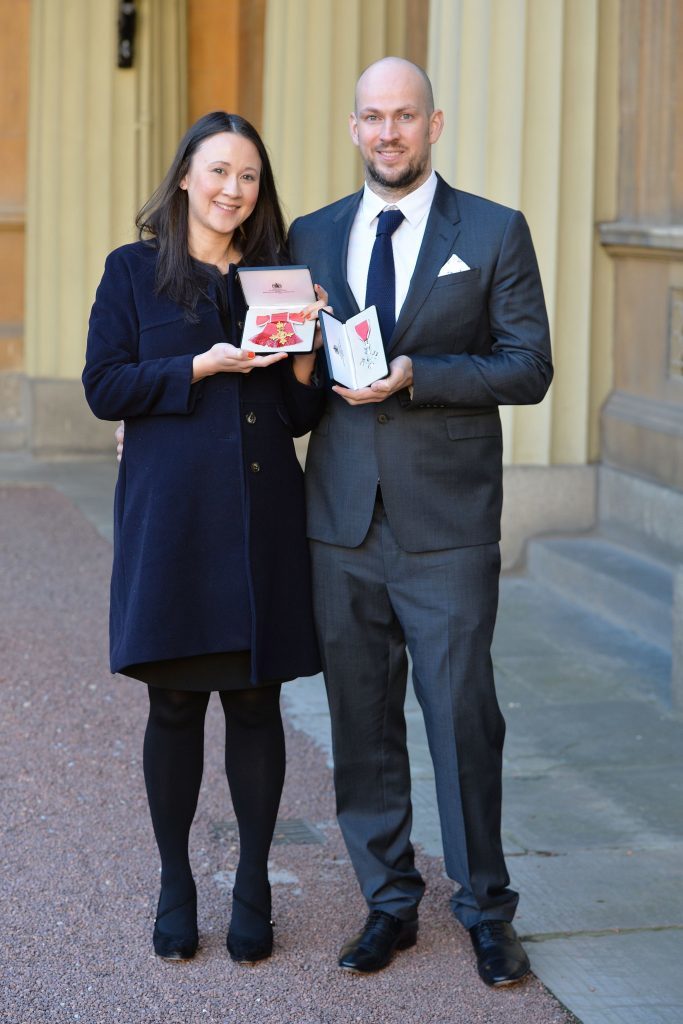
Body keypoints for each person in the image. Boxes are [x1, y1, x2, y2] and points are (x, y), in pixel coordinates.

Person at [286, 57, 553, 986]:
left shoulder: (491, 230)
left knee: (460, 718)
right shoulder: (309, 234)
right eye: (371, 117)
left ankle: (486, 908)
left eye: (404, 116)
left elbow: (527, 366)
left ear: (433, 125)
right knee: (359, 720)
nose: (387, 133)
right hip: (341, 520)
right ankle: (387, 902)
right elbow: (294, 378)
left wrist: (419, 375)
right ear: (353, 128)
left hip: (446, 524)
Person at [83, 111, 327, 965]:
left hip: (262, 520)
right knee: (175, 703)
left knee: (258, 705)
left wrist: (306, 349)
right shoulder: (132, 273)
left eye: (249, 176)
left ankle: (253, 883)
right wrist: (197, 365)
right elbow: (104, 387)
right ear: (185, 175)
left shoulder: (275, 279)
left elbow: (297, 415)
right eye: (218, 170)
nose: (233, 189)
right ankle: (176, 882)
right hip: (174, 524)